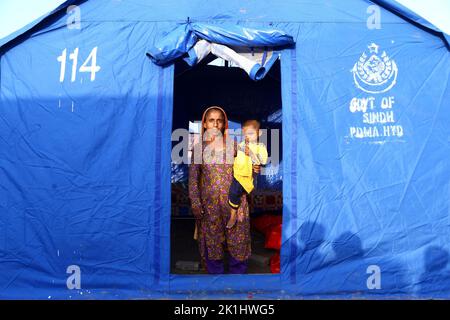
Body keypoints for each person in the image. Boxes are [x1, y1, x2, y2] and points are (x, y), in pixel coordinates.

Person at [188, 106, 260, 274]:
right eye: (211, 120)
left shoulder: (234, 146)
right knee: (213, 242)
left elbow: (249, 165)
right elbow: (192, 180)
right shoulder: (198, 149)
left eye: (219, 120)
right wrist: (196, 204)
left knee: (238, 240)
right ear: (205, 124)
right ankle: (216, 283)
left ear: (224, 123)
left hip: (235, 204)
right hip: (210, 205)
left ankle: (237, 281)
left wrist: (256, 168)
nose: (215, 124)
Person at [227, 120, 268, 229]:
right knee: (233, 192)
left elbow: (263, 161)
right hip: (237, 174)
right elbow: (235, 156)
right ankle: (232, 214)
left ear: (259, 133)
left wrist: (251, 154)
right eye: (245, 134)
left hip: (247, 177)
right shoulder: (241, 145)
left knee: (234, 192)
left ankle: (233, 215)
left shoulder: (261, 147)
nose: (247, 137)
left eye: (250, 133)